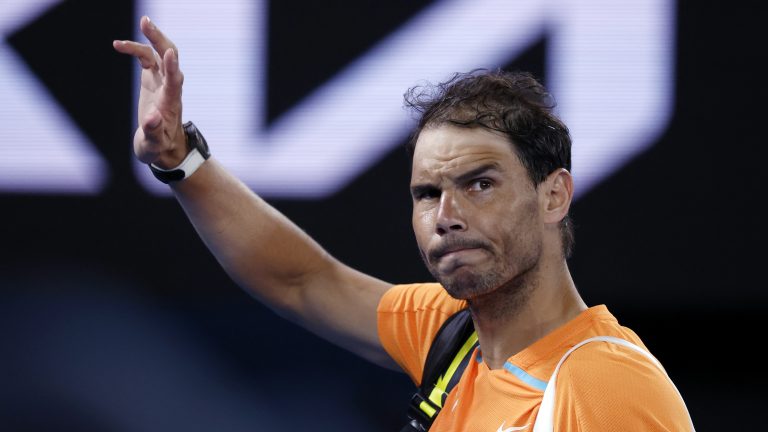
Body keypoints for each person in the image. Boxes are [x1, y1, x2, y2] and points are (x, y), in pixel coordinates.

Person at [113, 16, 694, 431]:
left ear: (554, 196)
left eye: (480, 184)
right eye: (427, 193)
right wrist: (180, 161)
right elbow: (303, 281)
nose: (447, 216)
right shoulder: (453, 335)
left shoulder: (604, 388)